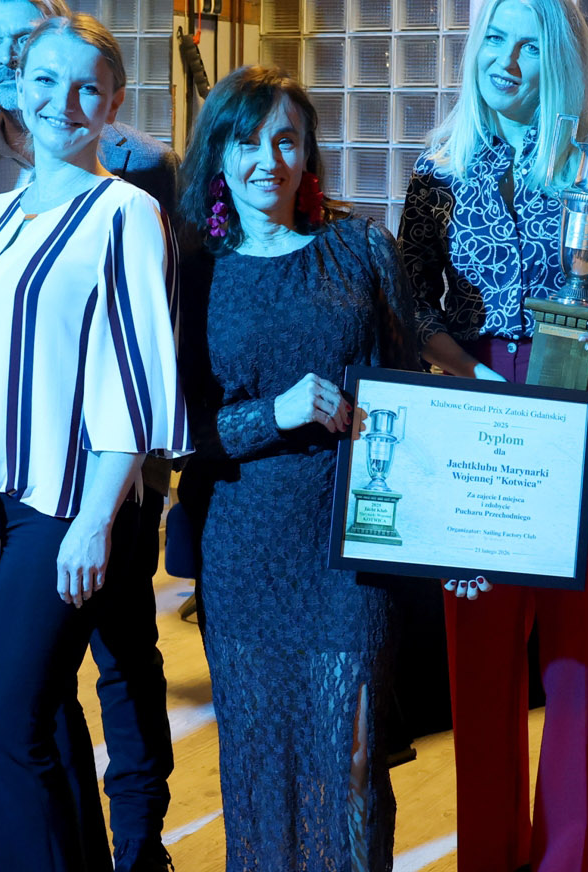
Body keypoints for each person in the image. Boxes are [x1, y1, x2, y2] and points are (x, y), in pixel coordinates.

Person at [396, 0, 588, 872]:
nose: (507, 62)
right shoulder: (438, 168)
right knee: (479, 642)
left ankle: (586, 856)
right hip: (476, 400)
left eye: (531, 45)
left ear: (562, 59)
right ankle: (492, 853)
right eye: (496, 41)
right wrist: (476, 378)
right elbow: (414, 307)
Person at [0, 0, 181, 872]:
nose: (62, 103)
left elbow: (139, 380)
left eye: (85, 89)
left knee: (5, 727)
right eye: (44, 81)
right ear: (16, 85)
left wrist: (96, 520)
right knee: (49, 726)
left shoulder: (126, 212)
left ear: (113, 103)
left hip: (65, 506)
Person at [175, 65, 415, 870]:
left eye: (286, 140)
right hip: (244, 544)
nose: (267, 160)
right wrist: (272, 414)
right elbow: (178, 429)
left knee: (353, 756)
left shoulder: (362, 248)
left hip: (349, 542)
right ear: (219, 153)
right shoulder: (195, 271)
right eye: (246, 142)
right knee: (261, 762)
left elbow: (410, 395)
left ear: (308, 151)